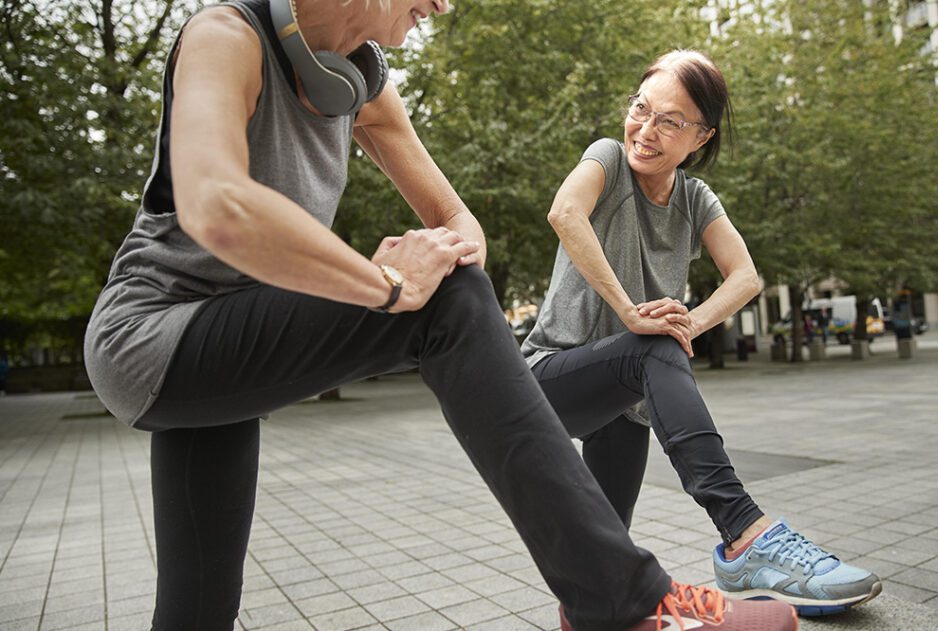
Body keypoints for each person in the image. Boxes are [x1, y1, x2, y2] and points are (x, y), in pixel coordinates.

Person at [83, 2, 798, 630]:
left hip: (230, 350)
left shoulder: (362, 83)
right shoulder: (225, 36)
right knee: (444, 303)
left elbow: (459, 224)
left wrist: (433, 261)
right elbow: (218, 207)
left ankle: (617, 599)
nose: (446, 6)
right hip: (154, 335)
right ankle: (622, 599)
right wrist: (387, 285)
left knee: (199, 611)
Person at [522, 50, 881, 617]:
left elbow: (745, 277)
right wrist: (633, 312)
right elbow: (565, 212)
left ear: (701, 136)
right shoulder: (608, 159)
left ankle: (602, 612)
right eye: (642, 109)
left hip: (625, 398)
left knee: (602, 552)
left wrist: (688, 321)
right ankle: (745, 533)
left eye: (671, 121)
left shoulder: (693, 199)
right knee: (653, 345)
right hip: (551, 376)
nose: (647, 129)